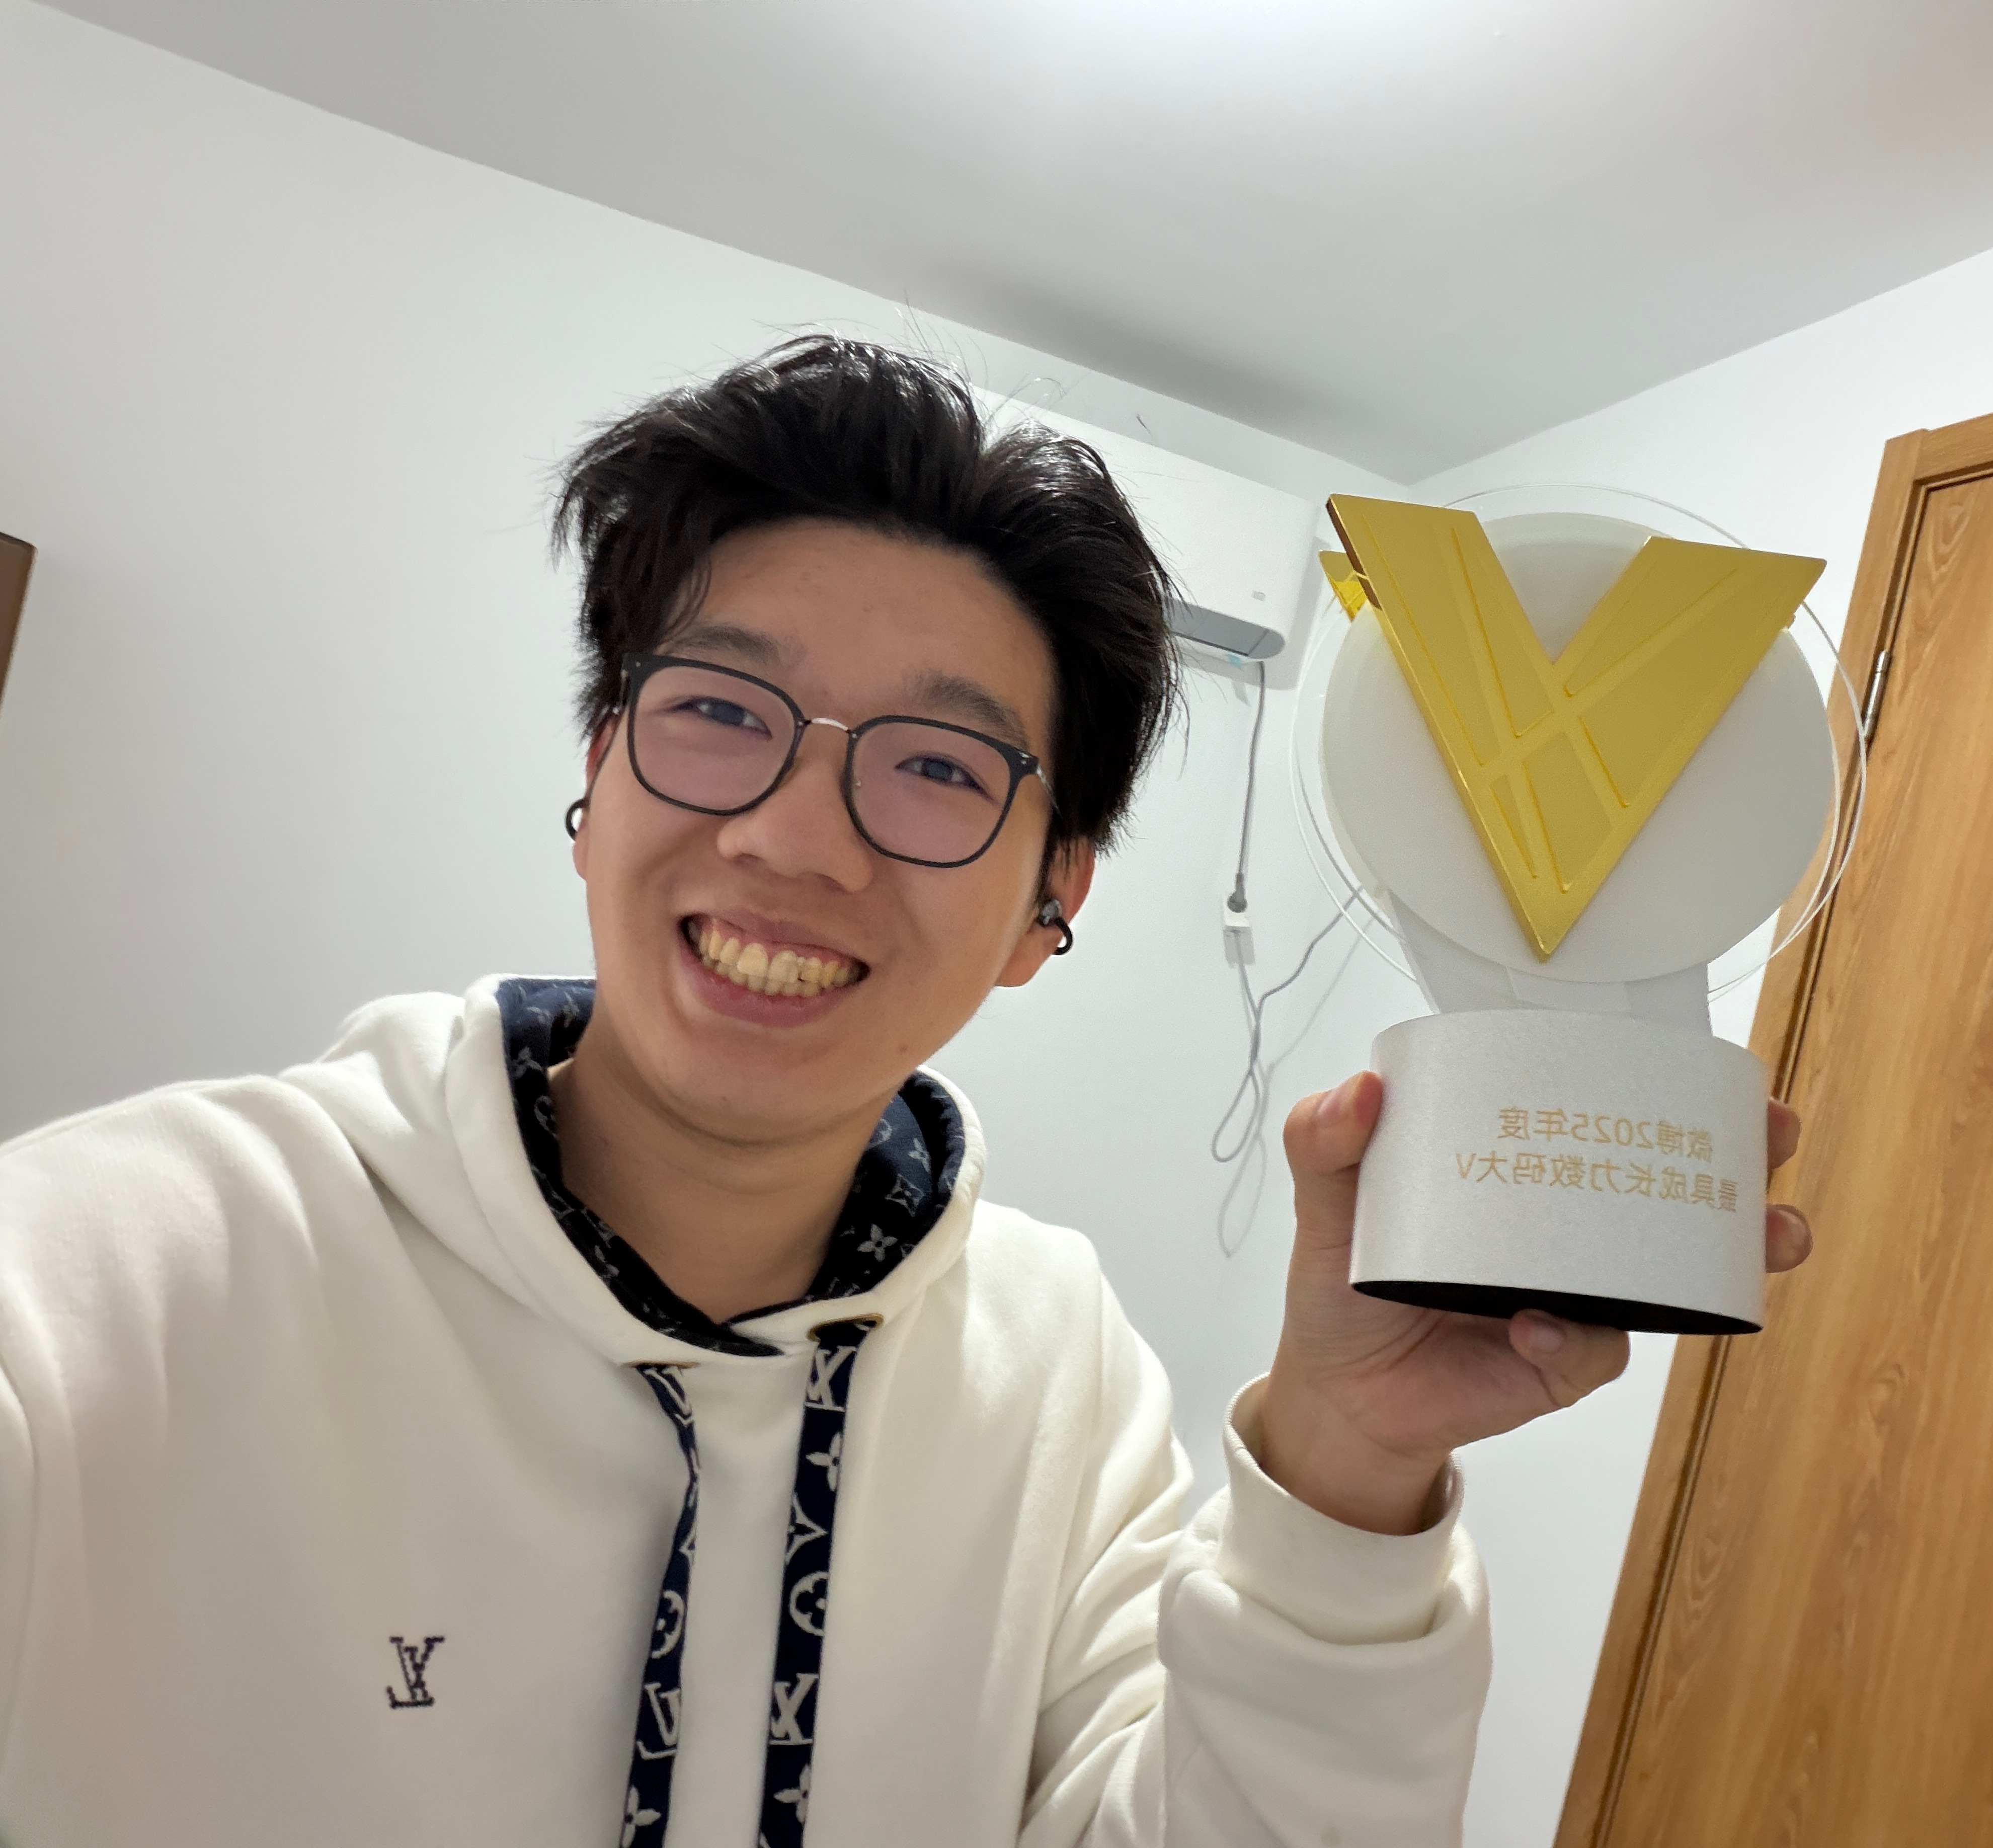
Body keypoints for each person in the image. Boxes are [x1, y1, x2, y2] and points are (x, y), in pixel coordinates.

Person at [0, 336, 1812, 1846]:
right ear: (598, 773)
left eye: (938, 767)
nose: (795, 840)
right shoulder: (142, 1261)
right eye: (721, 713)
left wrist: (1352, 1471)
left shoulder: (1052, 1359)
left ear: (1050, 904)